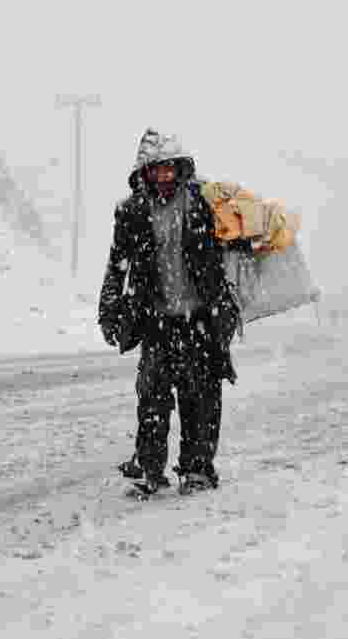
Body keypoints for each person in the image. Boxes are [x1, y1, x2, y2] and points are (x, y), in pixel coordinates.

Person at [98, 128, 241, 496]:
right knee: (152, 396)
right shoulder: (131, 212)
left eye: (169, 170)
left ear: (180, 169)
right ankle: (149, 469)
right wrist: (109, 306)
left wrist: (228, 304)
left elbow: (232, 245)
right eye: (154, 171)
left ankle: (197, 470)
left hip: (201, 317)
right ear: (143, 174)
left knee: (201, 397)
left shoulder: (204, 203)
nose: (162, 177)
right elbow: (118, 264)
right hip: (156, 319)